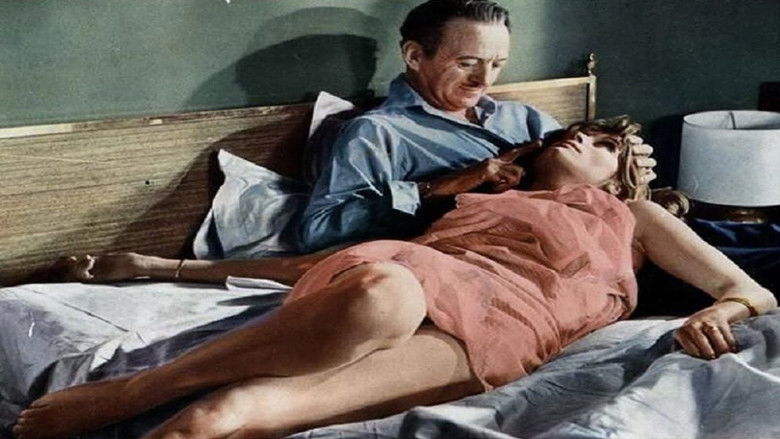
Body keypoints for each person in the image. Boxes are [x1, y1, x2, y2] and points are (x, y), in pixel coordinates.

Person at [13, 117, 775, 439]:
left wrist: (720, 313)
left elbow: (751, 292)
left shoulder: (632, 217)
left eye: (606, 144)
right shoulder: (479, 202)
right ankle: (132, 392)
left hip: (504, 329)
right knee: (383, 287)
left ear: (621, 176)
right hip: (407, 281)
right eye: (578, 130)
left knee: (220, 418)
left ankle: (153, 396)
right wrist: (158, 266)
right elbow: (304, 262)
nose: (587, 137)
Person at [296, 0, 657, 253]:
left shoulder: (524, 118)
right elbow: (316, 233)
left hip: (581, 246)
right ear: (414, 55)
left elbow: (585, 178)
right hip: (482, 263)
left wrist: (630, 164)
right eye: (467, 63)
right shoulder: (377, 133)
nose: (484, 80)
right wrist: (439, 187)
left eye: (497, 64)